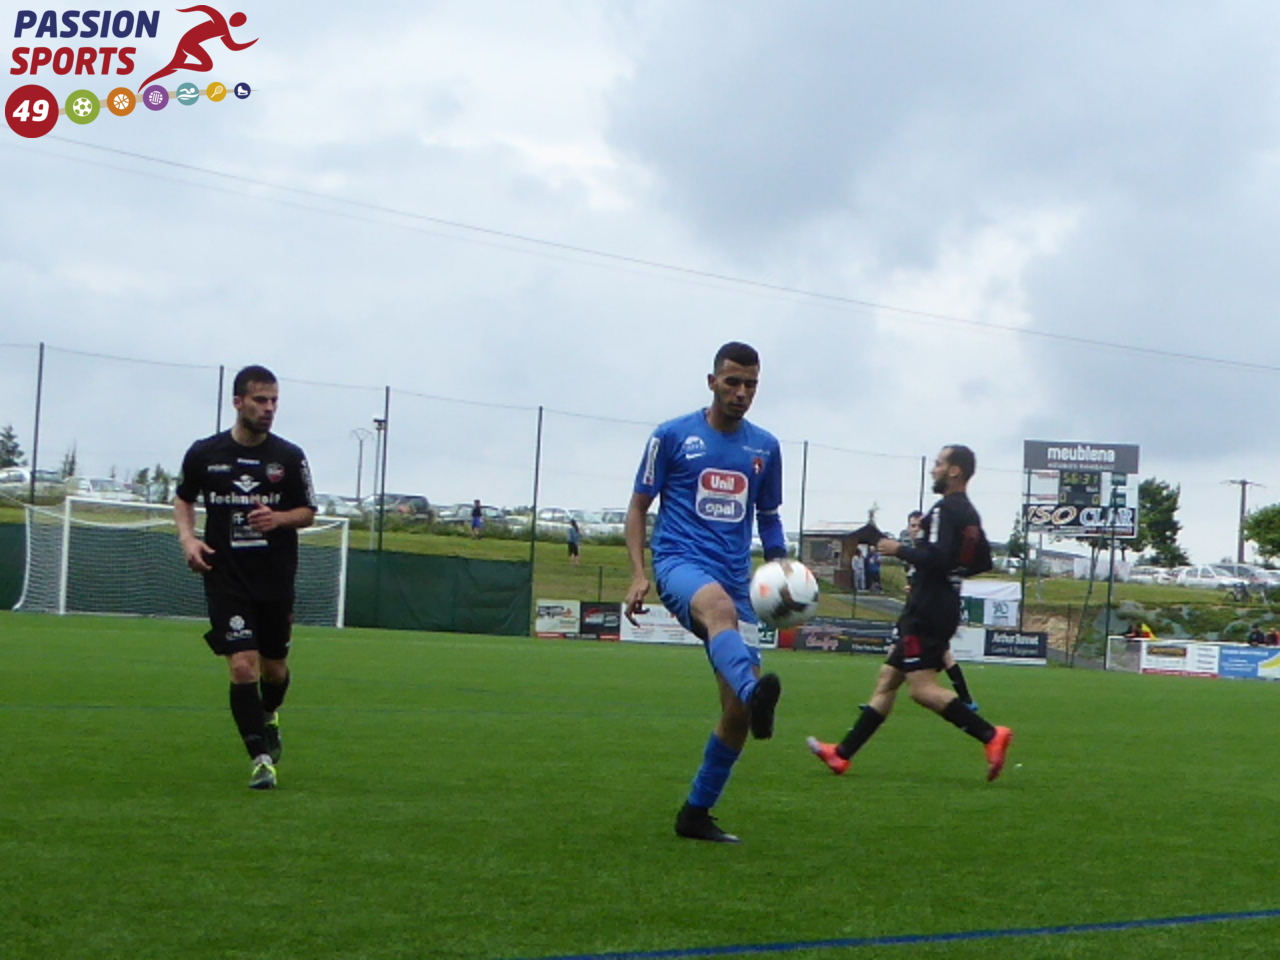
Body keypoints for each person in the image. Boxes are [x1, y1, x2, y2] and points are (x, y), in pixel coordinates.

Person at [624, 341, 786, 843]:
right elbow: (638, 508)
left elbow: (768, 516)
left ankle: (695, 813)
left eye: (751, 384)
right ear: (712, 381)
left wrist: (780, 563)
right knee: (718, 609)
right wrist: (638, 572)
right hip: (680, 564)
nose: (741, 393)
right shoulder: (671, 436)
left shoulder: (765, 447)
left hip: (737, 579)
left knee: (736, 716)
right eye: (732, 382)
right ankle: (755, 692)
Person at [807, 445, 1013, 782]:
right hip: (936, 603)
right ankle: (841, 755)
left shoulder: (945, 509)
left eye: (939, 464)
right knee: (888, 679)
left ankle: (991, 735)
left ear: (955, 471)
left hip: (928, 608)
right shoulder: (969, 513)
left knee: (921, 689)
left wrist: (898, 549)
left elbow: (938, 557)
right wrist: (948, 576)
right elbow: (983, 560)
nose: (934, 470)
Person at [173, 365, 317, 790]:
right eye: (260, 400)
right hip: (226, 576)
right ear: (238, 402)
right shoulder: (205, 453)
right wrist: (188, 539)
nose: (269, 408)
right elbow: (183, 499)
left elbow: (308, 512)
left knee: (275, 671)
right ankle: (260, 761)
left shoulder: (288, 457)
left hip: (274, 577)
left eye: (274, 400)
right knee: (241, 666)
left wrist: (278, 518)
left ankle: (269, 714)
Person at [903, 508, 978, 710]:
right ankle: (878, 702)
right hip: (917, 610)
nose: (915, 529)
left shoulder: (931, 553)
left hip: (931, 613)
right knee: (900, 657)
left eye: (918, 525)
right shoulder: (912, 555)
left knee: (943, 656)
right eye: (912, 525)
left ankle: (966, 702)